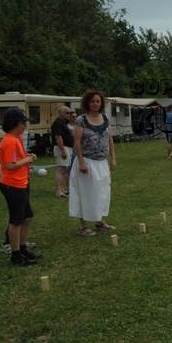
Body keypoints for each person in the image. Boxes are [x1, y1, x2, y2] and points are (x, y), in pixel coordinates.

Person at [69, 89, 117, 236]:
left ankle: (100, 221)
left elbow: (109, 139)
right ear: (87, 103)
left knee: (102, 193)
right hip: (87, 162)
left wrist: (113, 158)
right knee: (86, 193)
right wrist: (81, 162)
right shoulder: (81, 120)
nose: (95, 104)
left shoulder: (105, 118)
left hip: (102, 162)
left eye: (98, 101)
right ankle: (83, 226)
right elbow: (77, 142)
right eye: (92, 101)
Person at [0, 108, 40, 266]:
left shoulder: (17, 138)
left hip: (21, 183)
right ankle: (15, 254)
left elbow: (17, 159)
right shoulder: (9, 141)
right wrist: (27, 160)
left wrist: (27, 157)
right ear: (16, 123)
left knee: (27, 217)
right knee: (16, 220)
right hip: (12, 185)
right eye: (23, 123)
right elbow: (9, 165)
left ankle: (22, 248)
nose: (25, 126)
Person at [51, 106, 73, 198]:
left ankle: (62, 189)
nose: (69, 115)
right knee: (60, 169)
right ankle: (58, 191)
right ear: (60, 113)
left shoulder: (63, 123)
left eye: (69, 113)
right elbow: (58, 137)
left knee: (64, 170)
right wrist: (63, 150)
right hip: (62, 148)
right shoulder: (58, 123)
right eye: (67, 113)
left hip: (66, 147)